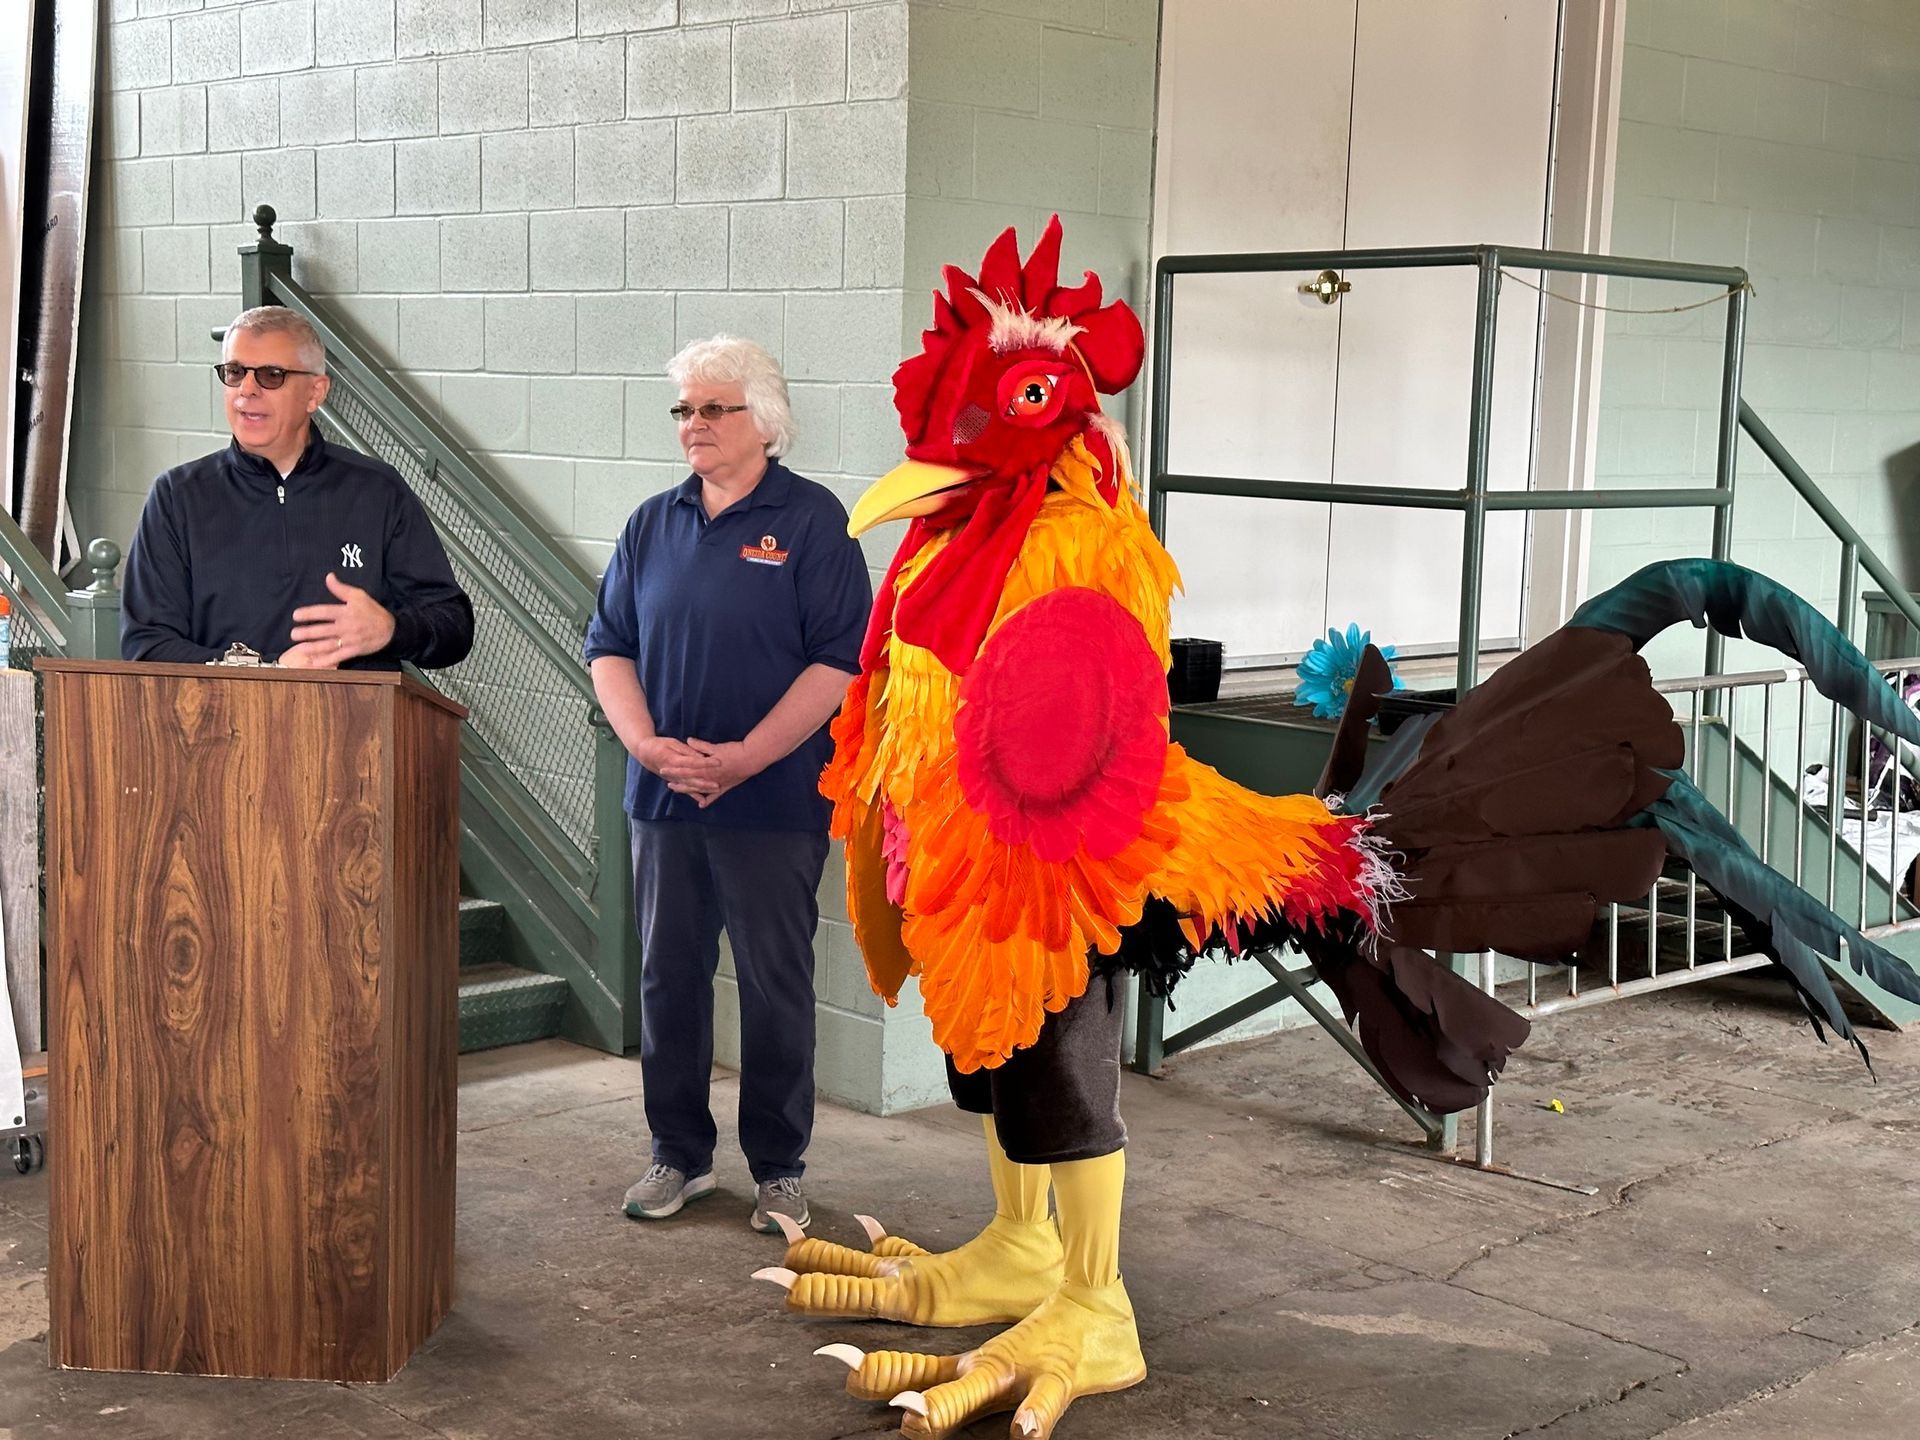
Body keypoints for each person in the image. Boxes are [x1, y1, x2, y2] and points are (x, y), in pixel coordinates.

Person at [584, 335, 871, 1235]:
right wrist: (645, 745)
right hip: (664, 799)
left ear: (765, 421)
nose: (693, 425)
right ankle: (678, 1156)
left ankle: (779, 1169)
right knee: (668, 980)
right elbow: (610, 647)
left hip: (775, 800)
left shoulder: (816, 521)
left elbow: (840, 662)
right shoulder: (651, 523)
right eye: (684, 410)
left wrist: (746, 756)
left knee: (774, 982)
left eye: (713, 408)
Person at [121, 305, 473, 670]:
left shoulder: (377, 490)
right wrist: (269, 671)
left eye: (272, 375)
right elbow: (147, 644)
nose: (247, 389)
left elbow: (454, 625)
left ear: (315, 393)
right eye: (235, 372)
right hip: (219, 724)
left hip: (354, 723)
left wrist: (392, 630)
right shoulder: (178, 497)